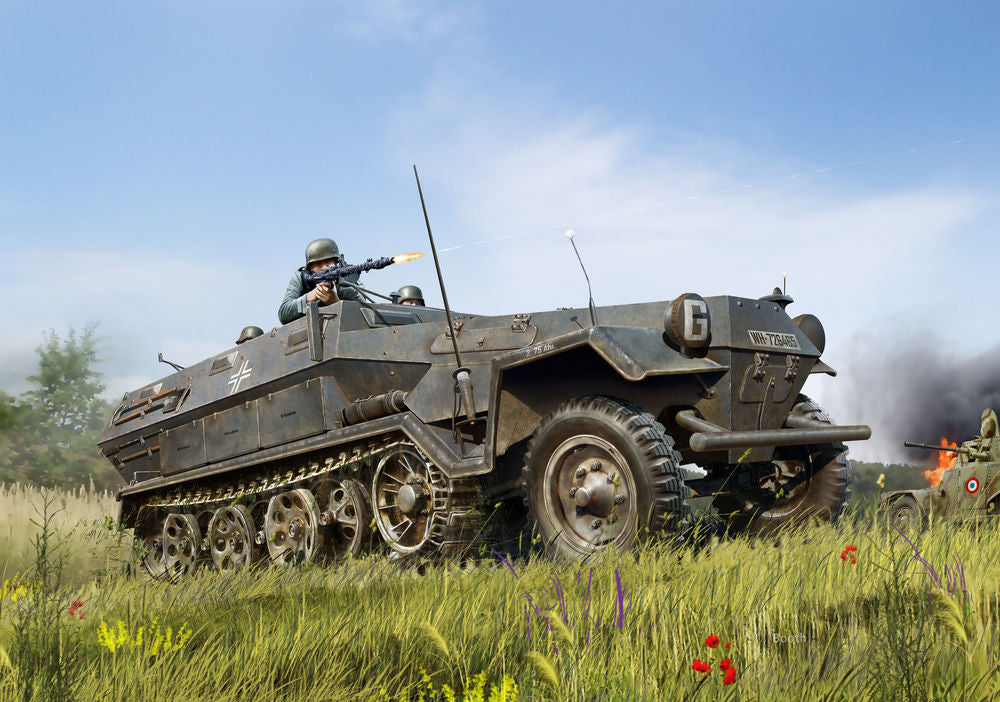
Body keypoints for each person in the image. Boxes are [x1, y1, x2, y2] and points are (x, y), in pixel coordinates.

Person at [278, 238, 362, 324]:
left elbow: (364, 315)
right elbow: (283, 314)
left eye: (328, 261)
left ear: (336, 261)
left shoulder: (347, 276)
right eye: (318, 263)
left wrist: (336, 303)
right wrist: (311, 296)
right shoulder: (301, 278)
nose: (324, 267)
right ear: (310, 267)